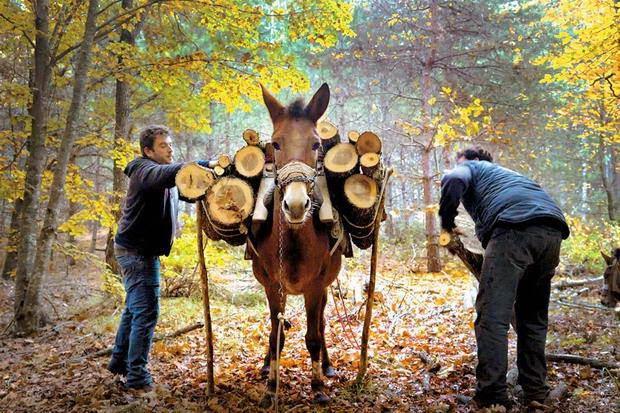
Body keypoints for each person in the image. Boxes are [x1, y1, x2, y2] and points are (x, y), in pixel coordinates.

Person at [438, 147, 570, 409]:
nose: (457, 166)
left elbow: (453, 179)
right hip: (552, 231)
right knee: (532, 319)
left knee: (492, 317)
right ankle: (535, 393)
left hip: (513, 229)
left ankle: (491, 396)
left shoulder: (472, 167)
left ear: (471, 161)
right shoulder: (510, 175)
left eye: (459, 162)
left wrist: (446, 221)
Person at [107, 125, 209, 391]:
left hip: (138, 250)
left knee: (133, 309)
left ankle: (120, 362)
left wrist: (212, 169)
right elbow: (166, 173)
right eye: (163, 145)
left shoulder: (161, 174)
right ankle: (137, 378)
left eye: (170, 144)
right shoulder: (144, 170)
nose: (170, 149)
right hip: (137, 253)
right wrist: (197, 164)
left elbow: (185, 186)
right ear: (148, 150)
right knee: (146, 312)